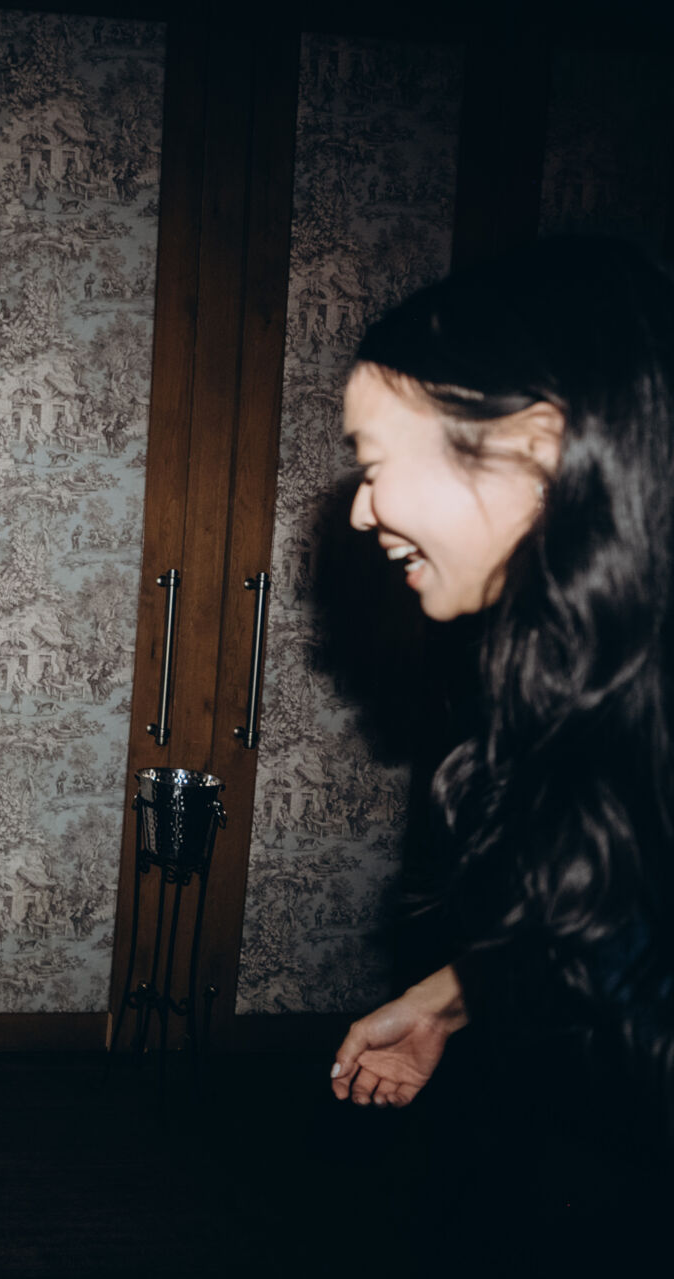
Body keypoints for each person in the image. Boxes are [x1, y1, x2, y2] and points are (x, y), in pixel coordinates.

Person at [330, 238, 674, 1128]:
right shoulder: (581, 673)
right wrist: (451, 999)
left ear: (533, 449)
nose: (361, 510)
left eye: (374, 465)